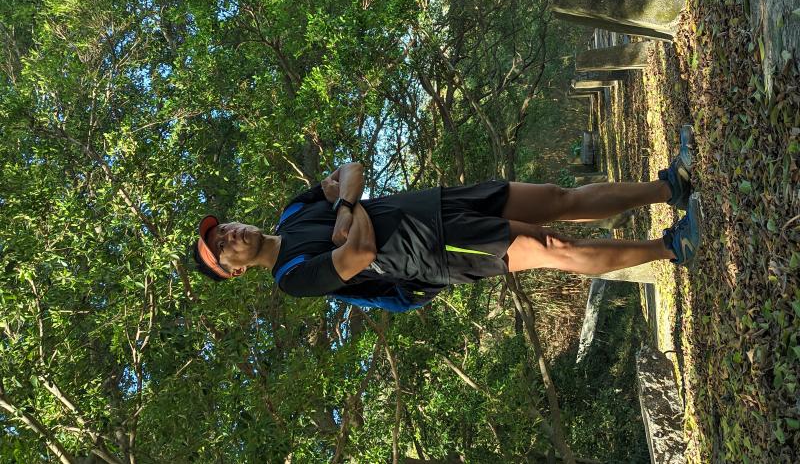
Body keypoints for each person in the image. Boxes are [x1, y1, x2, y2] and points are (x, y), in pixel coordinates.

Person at [193, 128, 701, 312]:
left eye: (224, 229)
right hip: (431, 251)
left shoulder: (293, 212)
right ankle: (673, 247)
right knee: (553, 248)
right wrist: (351, 209)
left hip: (433, 203)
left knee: (557, 197)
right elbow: (360, 254)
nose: (230, 235)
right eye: (222, 248)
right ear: (234, 270)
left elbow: (350, 170)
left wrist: (346, 207)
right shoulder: (292, 277)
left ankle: (670, 187)